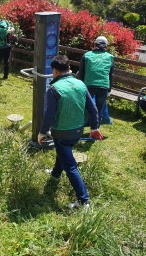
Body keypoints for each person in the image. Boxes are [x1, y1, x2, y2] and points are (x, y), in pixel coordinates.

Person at [38, 54, 103, 210]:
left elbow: (49, 114)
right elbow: (93, 108)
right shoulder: (80, 84)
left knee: (71, 166)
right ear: (69, 69)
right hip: (78, 131)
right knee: (63, 152)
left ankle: (83, 201)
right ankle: (55, 174)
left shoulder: (53, 88)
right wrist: (94, 128)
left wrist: (42, 132)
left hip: (62, 133)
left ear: (54, 71)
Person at [77, 36, 114, 126]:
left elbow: (81, 73)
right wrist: (109, 89)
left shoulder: (87, 55)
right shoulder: (110, 57)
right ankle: (95, 128)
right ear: (106, 46)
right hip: (104, 86)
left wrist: (81, 86)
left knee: (86, 107)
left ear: (95, 44)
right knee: (99, 109)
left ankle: (81, 125)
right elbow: (111, 75)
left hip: (89, 85)